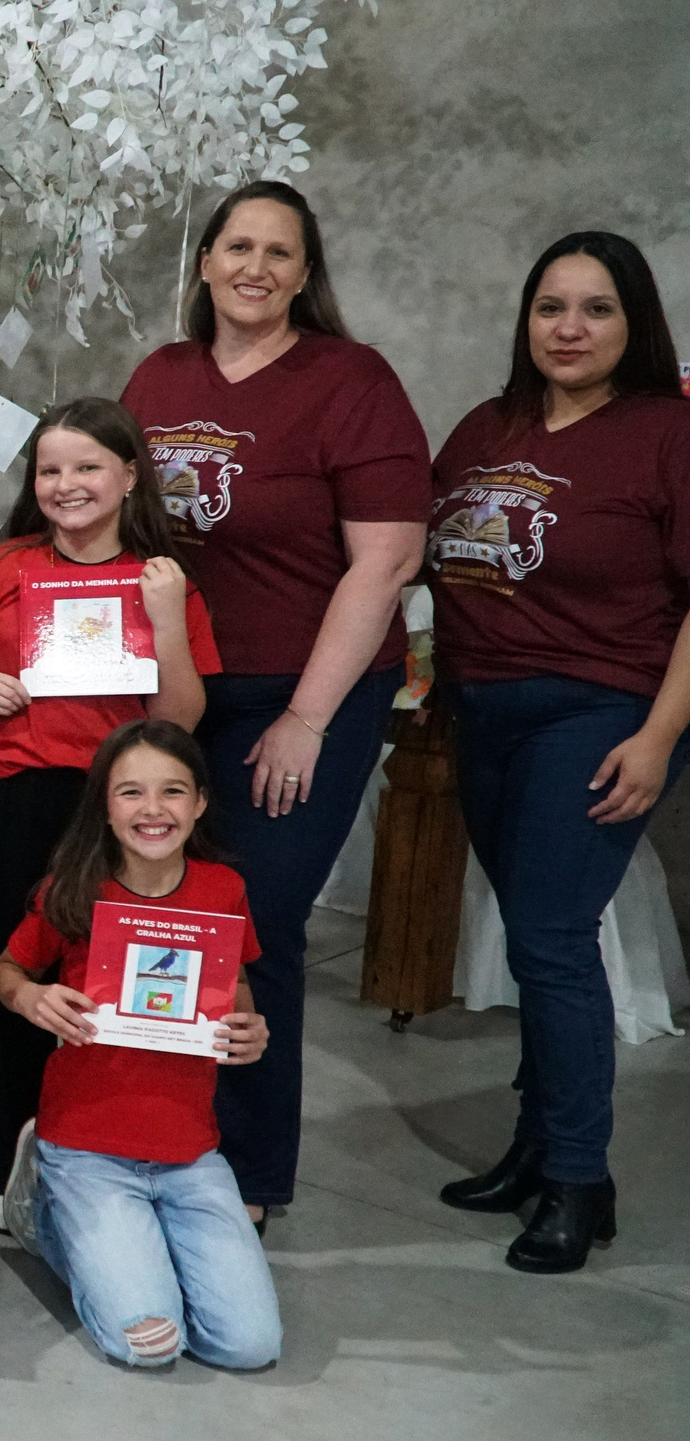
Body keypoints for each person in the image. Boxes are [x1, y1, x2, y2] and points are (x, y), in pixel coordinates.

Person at [118, 181, 429, 1223]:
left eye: (280, 252)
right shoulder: (159, 377)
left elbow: (385, 562)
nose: (255, 266)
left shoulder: (352, 380)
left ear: (305, 273)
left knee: (252, 914)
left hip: (311, 686)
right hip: (180, 683)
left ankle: (248, 1172)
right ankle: (151, 1132)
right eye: (237, 246)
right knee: (151, 899)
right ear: (203, 260)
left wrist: (305, 716)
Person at [425, 232, 690, 1273]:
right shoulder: (485, 426)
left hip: (598, 712)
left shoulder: (666, 432)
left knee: (548, 936)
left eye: (594, 309)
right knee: (532, 936)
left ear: (633, 323)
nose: (569, 329)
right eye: (550, 308)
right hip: (479, 709)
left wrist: (659, 735)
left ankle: (581, 1178)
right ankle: (536, 1148)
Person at [0, 398, 221, 1227]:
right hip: (13, 791)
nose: (66, 485)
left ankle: (97, 1147)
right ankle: (6, 1162)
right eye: (50, 469)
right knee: (7, 970)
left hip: (119, 804)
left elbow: (182, 719)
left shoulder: (164, 579)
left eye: (88, 466)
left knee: (103, 975)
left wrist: (164, 618)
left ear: (130, 476)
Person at [0, 720, 279, 1371]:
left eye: (172, 791)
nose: (153, 809)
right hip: (88, 1143)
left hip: (188, 1147)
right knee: (148, 1342)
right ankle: (44, 1203)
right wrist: (31, 998)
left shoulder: (223, 890)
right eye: (131, 792)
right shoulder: (72, 888)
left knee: (249, 1344)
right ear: (104, 804)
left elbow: (234, 980)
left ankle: (140, 1248)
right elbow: (6, 971)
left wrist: (249, 1025)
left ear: (201, 801)